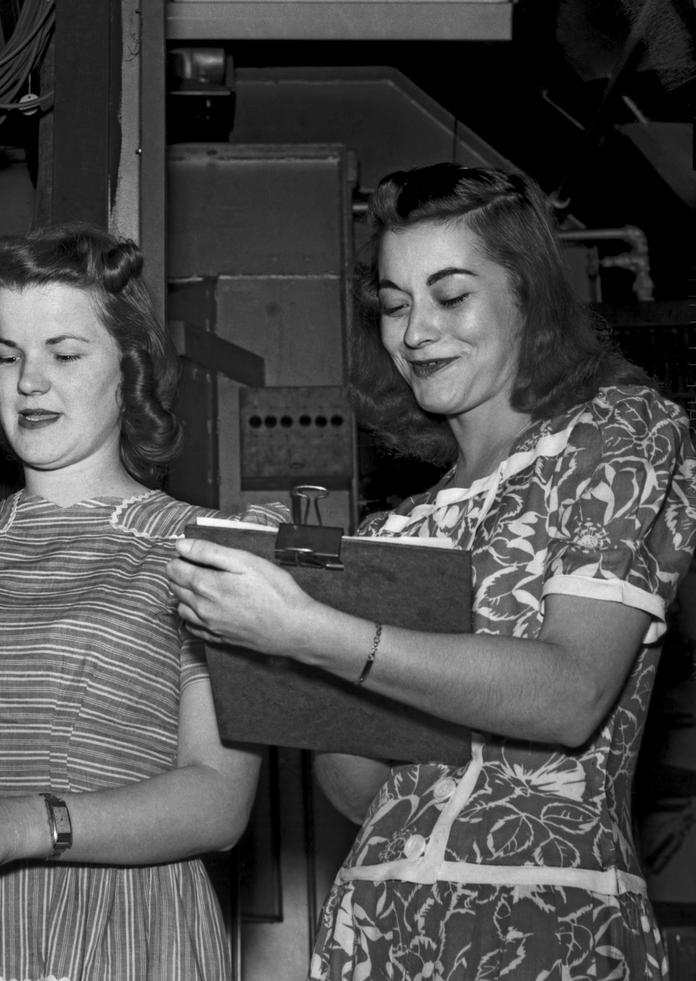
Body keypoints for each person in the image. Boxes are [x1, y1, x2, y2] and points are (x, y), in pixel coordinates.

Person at [166, 163, 696, 980]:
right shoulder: (398, 528)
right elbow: (363, 789)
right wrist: (288, 631)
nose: (415, 333)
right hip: (378, 927)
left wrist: (320, 630)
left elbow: (569, 694)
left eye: (450, 297)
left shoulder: (619, 436)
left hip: (546, 924)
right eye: (394, 303)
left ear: (526, 294)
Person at [0, 223, 287, 980]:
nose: (29, 382)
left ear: (131, 367)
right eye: (8, 356)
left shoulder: (212, 550)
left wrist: (16, 823)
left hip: (120, 928)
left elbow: (219, 803)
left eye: (64, 354)